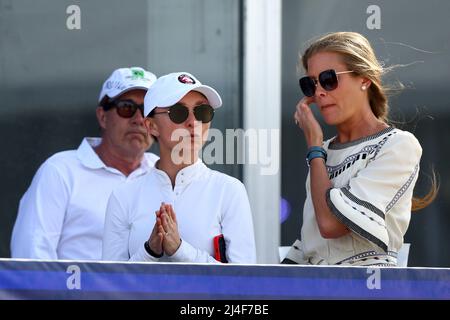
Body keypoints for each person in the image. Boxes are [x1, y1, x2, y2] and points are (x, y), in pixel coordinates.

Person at [285, 32, 437, 266]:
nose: (319, 92)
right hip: (315, 287)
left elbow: (331, 226)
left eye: (329, 79)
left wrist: (314, 148)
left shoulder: (397, 145)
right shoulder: (323, 151)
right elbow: (312, 244)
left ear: (364, 79)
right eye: (310, 84)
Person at [102, 72, 256, 263]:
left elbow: (243, 282)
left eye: (203, 112)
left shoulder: (230, 190)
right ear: (151, 126)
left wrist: (180, 250)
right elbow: (111, 285)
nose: (193, 122)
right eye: (178, 112)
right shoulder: (123, 196)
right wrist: (149, 251)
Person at [11, 67, 158, 260]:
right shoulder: (60, 171)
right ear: (102, 116)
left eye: (148, 111)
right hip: (70, 291)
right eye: (126, 107)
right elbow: (31, 259)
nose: (139, 119)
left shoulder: (165, 174)